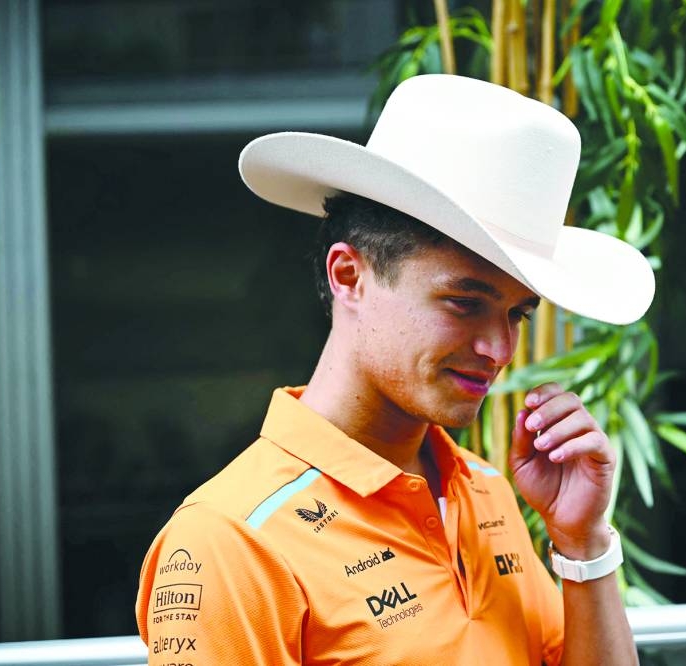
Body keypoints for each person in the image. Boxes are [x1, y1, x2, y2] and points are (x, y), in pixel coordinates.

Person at [136, 74, 655, 665]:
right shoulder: (231, 538)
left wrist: (583, 544)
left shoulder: (485, 490)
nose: (499, 348)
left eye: (518, 315)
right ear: (349, 276)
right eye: (465, 302)